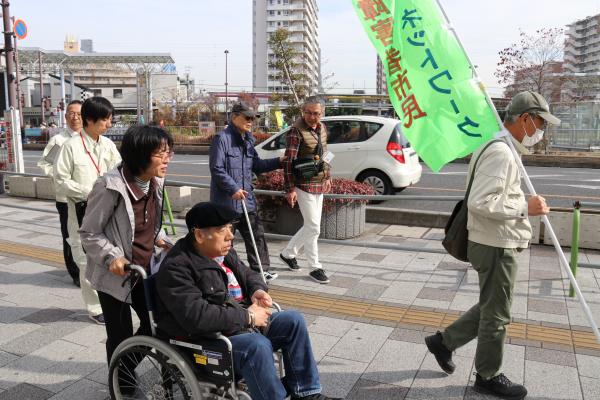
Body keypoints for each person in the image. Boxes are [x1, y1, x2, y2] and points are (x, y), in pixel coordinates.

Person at [424, 91, 559, 400]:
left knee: (491, 306)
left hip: (491, 240)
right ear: (525, 119)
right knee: (497, 314)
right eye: (540, 122)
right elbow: (481, 201)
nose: (542, 130)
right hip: (496, 243)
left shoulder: (498, 143)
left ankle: (443, 343)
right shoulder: (501, 152)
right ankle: (488, 375)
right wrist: (526, 206)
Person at [154, 202, 341, 400]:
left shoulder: (223, 252)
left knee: (293, 320)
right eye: (221, 229)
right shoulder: (177, 267)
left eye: (230, 227)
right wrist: (248, 317)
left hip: (238, 327)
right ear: (199, 235)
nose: (230, 235)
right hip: (204, 343)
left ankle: (306, 393)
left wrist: (257, 290)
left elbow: (248, 273)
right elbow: (197, 317)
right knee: (256, 345)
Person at [79, 125, 173, 389]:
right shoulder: (110, 186)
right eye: (160, 153)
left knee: (157, 324)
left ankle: (125, 372)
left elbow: (149, 224)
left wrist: (161, 239)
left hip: (146, 269)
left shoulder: (156, 179)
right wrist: (113, 258)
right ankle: (122, 386)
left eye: (169, 152)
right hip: (115, 275)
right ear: (140, 155)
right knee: (119, 335)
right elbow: (89, 233)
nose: (167, 158)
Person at [54, 96, 122, 325]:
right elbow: (60, 180)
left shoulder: (108, 145)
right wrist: (88, 191)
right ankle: (94, 308)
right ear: (89, 120)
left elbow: (121, 172)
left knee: (110, 253)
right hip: (83, 211)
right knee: (85, 259)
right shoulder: (70, 146)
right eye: (105, 120)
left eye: (110, 119)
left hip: (110, 211)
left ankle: (111, 299)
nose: (109, 124)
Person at [209, 102, 284, 282]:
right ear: (234, 117)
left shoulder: (249, 139)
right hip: (226, 203)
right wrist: (233, 188)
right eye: (247, 117)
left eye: (253, 118)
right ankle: (231, 273)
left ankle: (261, 271)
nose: (251, 121)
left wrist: (280, 161)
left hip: (247, 200)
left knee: (256, 235)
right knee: (225, 242)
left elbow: (256, 165)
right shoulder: (222, 138)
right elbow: (217, 168)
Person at [280, 96, 332, 284]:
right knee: (314, 227)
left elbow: (325, 154)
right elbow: (288, 161)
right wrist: (290, 188)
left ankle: (288, 253)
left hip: (319, 183)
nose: (312, 117)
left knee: (311, 227)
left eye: (316, 113)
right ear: (303, 111)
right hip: (303, 184)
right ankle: (314, 267)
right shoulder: (296, 131)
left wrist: (328, 176)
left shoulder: (323, 128)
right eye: (308, 112)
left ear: (322, 113)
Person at [37, 100, 82, 287]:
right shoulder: (59, 140)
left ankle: (89, 271)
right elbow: (44, 164)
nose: (75, 117)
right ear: (65, 117)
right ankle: (75, 272)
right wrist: (59, 176)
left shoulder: (89, 139)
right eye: (71, 113)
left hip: (88, 197)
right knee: (70, 236)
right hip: (65, 199)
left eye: (79, 113)